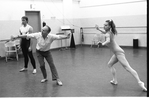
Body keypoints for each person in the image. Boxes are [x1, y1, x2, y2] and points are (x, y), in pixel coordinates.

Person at [95, 20, 147, 91]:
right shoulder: (110, 32)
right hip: (117, 53)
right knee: (110, 64)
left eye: (106, 25)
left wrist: (102, 44)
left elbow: (108, 40)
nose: (104, 26)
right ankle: (114, 80)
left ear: (109, 26)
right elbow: (105, 33)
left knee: (128, 68)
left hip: (119, 53)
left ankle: (140, 82)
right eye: (103, 25)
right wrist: (98, 29)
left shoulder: (108, 34)